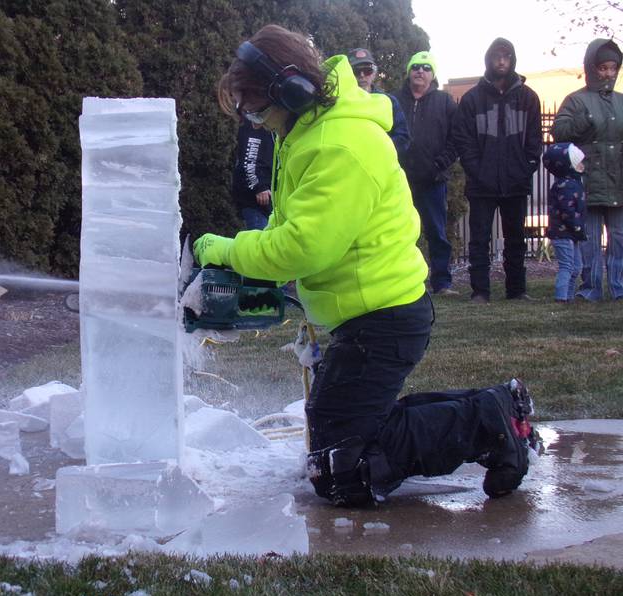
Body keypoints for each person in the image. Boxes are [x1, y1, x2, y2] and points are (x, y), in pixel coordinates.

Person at [192, 24, 537, 506]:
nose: (257, 120)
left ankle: (490, 423)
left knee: (343, 469)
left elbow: (300, 247)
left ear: (290, 91)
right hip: (373, 316)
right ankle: (495, 409)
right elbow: (292, 224)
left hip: (384, 318)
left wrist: (223, 249)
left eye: (257, 108)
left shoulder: (339, 144)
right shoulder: (309, 132)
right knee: (342, 437)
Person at [453, 38, 542, 304]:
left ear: (513, 60)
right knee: (479, 240)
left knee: (515, 239)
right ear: (488, 60)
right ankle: (480, 291)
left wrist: (526, 168)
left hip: (516, 182)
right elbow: (463, 139)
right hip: (482, 184)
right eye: (497, 56)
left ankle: (517, 290)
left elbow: (535, 140)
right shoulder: (472, 99)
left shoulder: (529, 98)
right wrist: (477, 170)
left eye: (507, 56)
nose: (502, 61)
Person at [552, 39, 623, 301]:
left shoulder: (621, 102)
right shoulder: (576, 101)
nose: (608, 73)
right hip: (587, 182)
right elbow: (558, 132)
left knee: (619, 239)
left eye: (612, 68)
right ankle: (590, 288)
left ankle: (619, 288)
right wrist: (585, 120)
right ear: (593, 68)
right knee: (590, 240)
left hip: (618, 181)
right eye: (603, 68)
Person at [396, 51, 459, 295]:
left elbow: (456, 139)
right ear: (409, 72)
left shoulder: (444, 102)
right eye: (415, 67)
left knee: (437, 233)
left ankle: (441, 283)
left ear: (432, 74)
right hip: (400, 180)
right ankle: (402, 282)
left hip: (433, 180)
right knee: (399, 233)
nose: (419, 71)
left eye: (425, 67)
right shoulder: (394, 100)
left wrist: (439, 165)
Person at [544, 143, 587, 303]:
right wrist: (577, 226)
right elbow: (567, 210)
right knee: (567, 266)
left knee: (576, 267)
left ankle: (568, 296)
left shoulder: (572, 183)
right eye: (578, 162)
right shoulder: (566, 186)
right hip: (563, 233)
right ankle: (561, 297)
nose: (582, 165)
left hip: (570, 232)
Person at [347, 48, 410, 155]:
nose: (362, 75)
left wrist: (375, 149)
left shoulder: (390, 101)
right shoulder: (338, 101)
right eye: (356, 70)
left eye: (367, 70)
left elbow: (403, 138)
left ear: (374, 73)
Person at [232, 119, 275, 230]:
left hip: (269, 199)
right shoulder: (254, 122)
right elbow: (250, 157)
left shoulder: (271, 128)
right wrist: (260, 186)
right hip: (256, 200)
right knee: (259, 241)